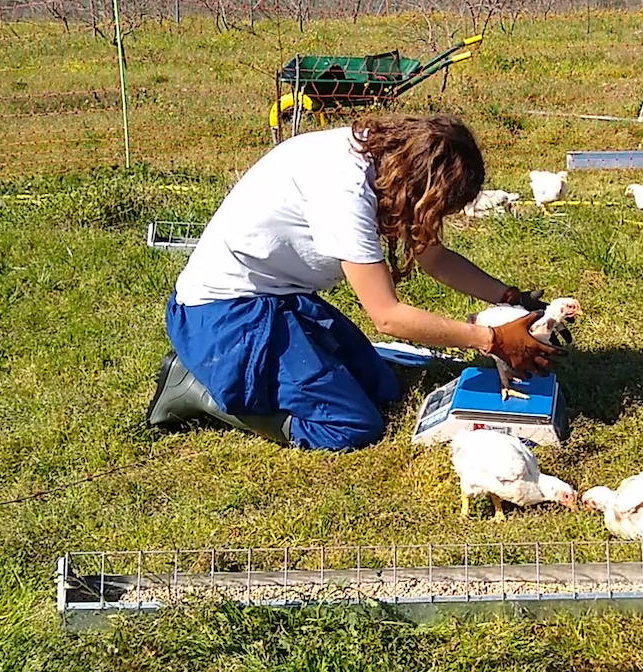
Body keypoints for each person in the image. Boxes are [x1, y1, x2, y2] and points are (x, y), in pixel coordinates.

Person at [146, 114, 563, 451]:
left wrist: (509, 298)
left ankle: (225, 374)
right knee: (352, 425)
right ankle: (202, 387)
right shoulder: (344, 192)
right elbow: (388, 316)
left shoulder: (378, 156)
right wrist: (490, 339)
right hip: (224, 316)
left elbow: (432, 255)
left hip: (279, 298)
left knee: (383, 389)